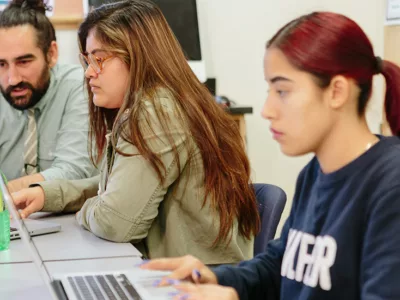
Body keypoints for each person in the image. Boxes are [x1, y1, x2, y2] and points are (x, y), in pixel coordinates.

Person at [140, 11, 400, 300]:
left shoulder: (391, 187)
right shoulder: (315, 172)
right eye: (269, 90)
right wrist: (215, 276)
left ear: (337, 91)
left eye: (282, 91)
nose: (267, 109)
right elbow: (279, 266)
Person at [11, 0, 260, 264]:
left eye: (100, 59)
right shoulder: (166, 101)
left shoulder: (155, 112)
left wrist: (85, 211)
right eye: (87, 60)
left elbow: (115, 221)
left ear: (140, 55)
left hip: (196, 284)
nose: (89, 73)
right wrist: (47, 194)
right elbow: (119, 187)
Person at [0, 0, 94, 193]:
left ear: (51, 54)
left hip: (67, 219)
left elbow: (74, 171)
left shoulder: (79, 87)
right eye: (1, 64)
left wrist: (5, 194)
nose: (12, 79)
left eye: (24, 61)